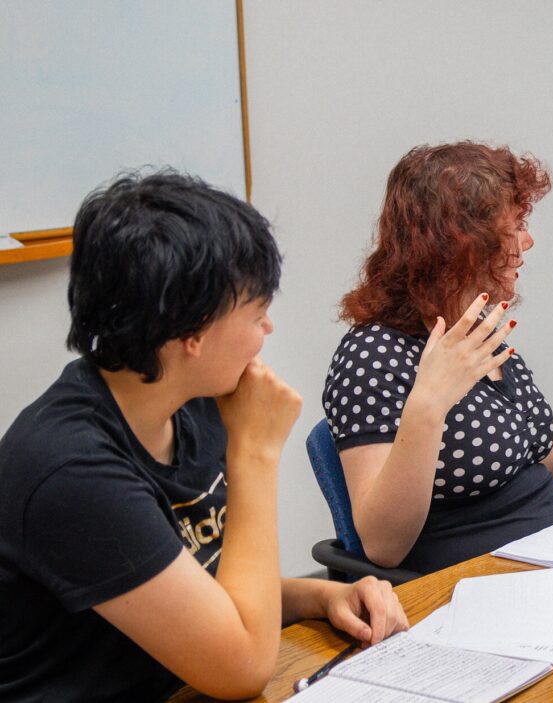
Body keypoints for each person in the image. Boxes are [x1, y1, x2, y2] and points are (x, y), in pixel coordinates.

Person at [0, 172, 408, 701]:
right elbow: (239, 669)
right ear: (191, 332)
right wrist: (256, 451)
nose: (268, 331)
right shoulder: (73, 471)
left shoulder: (191, 405)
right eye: (257, 312)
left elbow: (209, 596)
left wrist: (320, 596)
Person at [323, 142, 553, 574]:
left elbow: (532, 465)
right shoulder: (373, 354)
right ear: (462, 243)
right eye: (515, 226)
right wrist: (429, 402)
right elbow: (383, 547)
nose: (528, 240)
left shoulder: (477, 329)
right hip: (483, 582)